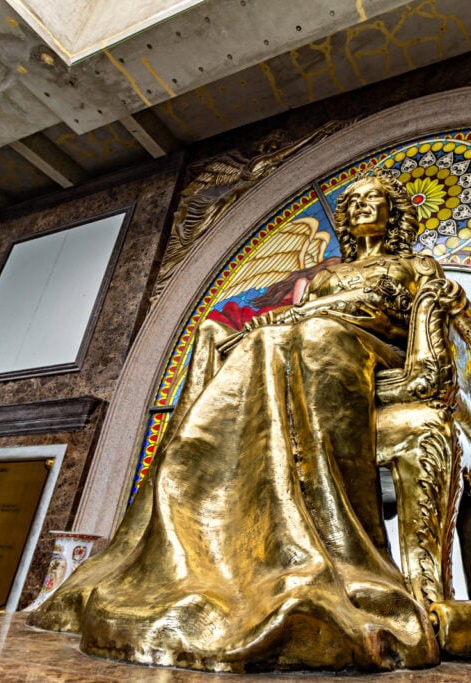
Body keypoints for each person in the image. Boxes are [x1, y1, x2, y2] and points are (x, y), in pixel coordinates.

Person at [27, 171, 444, 672]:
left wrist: (307, 316)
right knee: (241, 339)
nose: (359, 208)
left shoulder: (415, 265)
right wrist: (288, 317)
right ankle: (218, 498)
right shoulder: (327, 274)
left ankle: (321, 533)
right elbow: (298, 314)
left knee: (305, 337)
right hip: (304, 337)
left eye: (371, 199)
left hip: (366, 347)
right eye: (351, 203)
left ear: (394, 211)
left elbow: (392, 315)